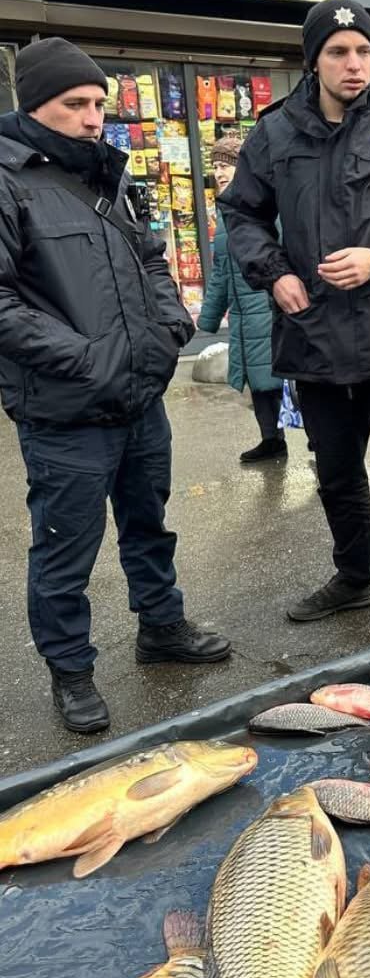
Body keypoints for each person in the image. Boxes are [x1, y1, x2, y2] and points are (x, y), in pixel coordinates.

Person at [0, 38, 231, 734]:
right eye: (76, 104)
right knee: (66, 547)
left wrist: (169, 330)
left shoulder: (108, 179)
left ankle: (161, 628)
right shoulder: (9, 182)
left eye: (99, 103)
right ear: (34, 106)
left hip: (138, 399)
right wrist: (88, 358)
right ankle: (71, 672)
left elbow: (153, 261)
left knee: (148, 526)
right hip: (66, 410)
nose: (94, 117)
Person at [220, 0, 370, 628]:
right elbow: (242, 214)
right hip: (317, 343)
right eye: (338, 52)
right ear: (313, 60)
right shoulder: (274, 132)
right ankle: (354, 579)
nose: (354, 64)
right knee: (337, 479)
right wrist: (274, 274)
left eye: (364, 51)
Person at [198, 134, 287, 464]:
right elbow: (221, 271)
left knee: (285, 381)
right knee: (258, 383)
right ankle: (271, 439)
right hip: (243, 315)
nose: (220, 173)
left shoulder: (264, 205)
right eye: (216, 167)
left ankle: (319, 441)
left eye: (226, 166)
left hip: (268, 308)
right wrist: (207, 320)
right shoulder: (224, 213)